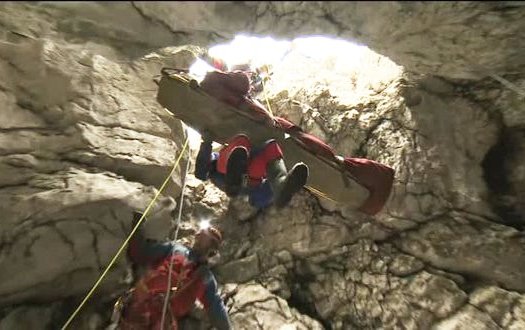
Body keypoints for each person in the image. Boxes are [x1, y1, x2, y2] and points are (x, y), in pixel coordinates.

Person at [116, 213, 232, 330]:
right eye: (202, 234)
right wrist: (138, 226)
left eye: (207, 238)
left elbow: (216, 309)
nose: (201, 236)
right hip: (142, 305)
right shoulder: (176, 249)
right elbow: (141, 253)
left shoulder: (205, 277)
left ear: (212, 250)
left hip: (161, 318)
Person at [194, 133, 309, 209]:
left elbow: (201, 171)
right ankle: (279, 186)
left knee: (267, 146)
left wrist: (206, 143)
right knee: (266, 148)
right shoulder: (216, 164)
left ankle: (281, 186)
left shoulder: (217, 159)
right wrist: (206, 144)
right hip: (243, 179)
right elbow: (201, 172)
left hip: (241, 177)